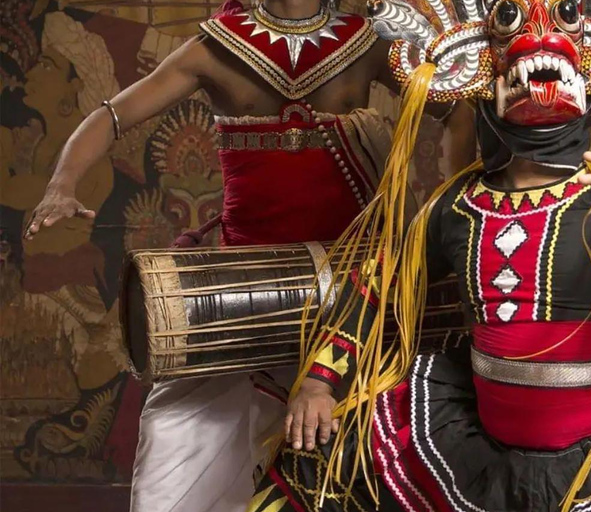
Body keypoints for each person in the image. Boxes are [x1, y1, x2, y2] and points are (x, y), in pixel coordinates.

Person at [251, 1, 591, 511]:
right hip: (481, 453)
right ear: (486, 77)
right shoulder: (456, 205)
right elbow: (378, 285)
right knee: (314, 465)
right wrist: (317, 382)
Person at [23, 1, 476, 511]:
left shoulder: (367, 42)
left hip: (357, 291)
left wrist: (456, 194)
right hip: (243, 293)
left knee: (371, 453)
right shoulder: (215, 48)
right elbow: (112, 116)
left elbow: (459, 104)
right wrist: (61, 184)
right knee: (182, 442)